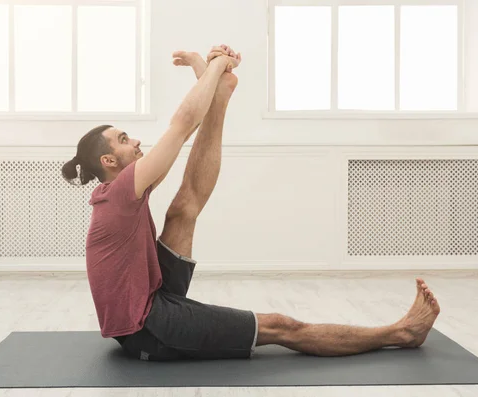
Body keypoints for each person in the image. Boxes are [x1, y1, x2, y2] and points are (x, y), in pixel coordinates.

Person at [62, 45, 441, 361]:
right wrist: (211, 68)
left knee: (183, 209)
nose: (135, 142)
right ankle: (402, 332)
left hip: (148, 293)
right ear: (108, 162)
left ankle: (222, 100)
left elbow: (188, 155)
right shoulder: (121, 191)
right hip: (146, 326)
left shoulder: (119, 191)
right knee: (282, 326)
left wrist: (212, 84)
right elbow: (180, 126)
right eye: (124, 139)